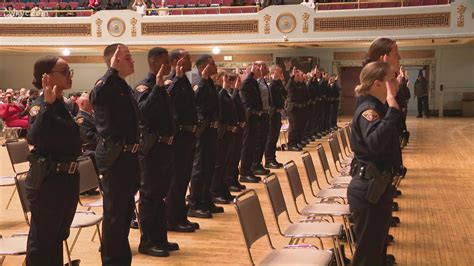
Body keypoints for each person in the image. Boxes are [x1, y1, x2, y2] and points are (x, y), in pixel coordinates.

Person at [25, 56, 81, 265]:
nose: (69, 76)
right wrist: (47, 105)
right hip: (48, 181)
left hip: (66, 179)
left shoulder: (62, 105)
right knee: (43, 240)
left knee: (58, 236)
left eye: (69, 71)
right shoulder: (41, 106)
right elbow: (34, 137)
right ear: (46, 77)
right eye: (64, 71)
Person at [90, 43, 140, 265]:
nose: (133, 61)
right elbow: (96, 96)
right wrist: (110, 70)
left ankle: (122, 260)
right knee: (114, 215)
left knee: (125, 213)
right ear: (115, 61)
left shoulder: (123, 86)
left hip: (128, 158)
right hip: (115, 158)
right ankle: (111, 260)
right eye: (128, 57)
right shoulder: (106, 84)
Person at [347, 61, 401, 266]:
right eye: (391, 79)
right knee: (368, 254)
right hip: (367, 188)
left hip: (376, 184)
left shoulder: (377, 107)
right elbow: (375, 143)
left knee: (377, 247)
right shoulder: (368, 110)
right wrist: (393, 111)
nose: (396, 83)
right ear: (378, 84)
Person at [133, 47, 179, 257]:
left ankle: (160, 238)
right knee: (150, 196)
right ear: (153, 63)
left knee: (160, 195)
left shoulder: (162, 86)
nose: (168, 66)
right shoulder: (145, 87)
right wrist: (159, 88)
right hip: (151, 149)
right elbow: (144, 113)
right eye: (164, 62)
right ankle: (148, 241)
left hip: (165, 148)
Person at [165, 49, 200, 232]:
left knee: (184, 178)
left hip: (188, 136)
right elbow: (168, 100)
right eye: (186, 58)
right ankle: (172, 219)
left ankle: (181, 216)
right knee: (176, 180)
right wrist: (177, 80)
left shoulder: (184, 80)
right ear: (176, 61)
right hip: (178, 137)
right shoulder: (171, 81)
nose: (190, 60)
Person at [188, 54, 220, 218]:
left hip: (212, 130)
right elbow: (197, 102)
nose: (215, 66)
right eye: (212, 64)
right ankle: (194, 203)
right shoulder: (198, 84)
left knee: (209, 166)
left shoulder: (209, 84)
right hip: (203, 131)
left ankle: (205, 199)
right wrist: (204, 79)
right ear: (203, 67)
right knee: (200, 167)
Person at [210, 71, 238, 204]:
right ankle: (215, 191)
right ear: (218, 79)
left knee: (225, 163)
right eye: (225, 77)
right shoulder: (218, 92)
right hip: (223, 133)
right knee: (219, 164)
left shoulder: (225, 92)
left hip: (229, 132)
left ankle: (224, 190)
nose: (228, 79)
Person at [239, 63, 263, 183]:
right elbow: (245, 86)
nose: (259, 72)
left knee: (252, 146)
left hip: (255, 118)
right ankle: (244, 172)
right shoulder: (246, 84)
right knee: (247, 146)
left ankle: (249, 170)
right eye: (256, 70)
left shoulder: (254, 83)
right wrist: (251, 73)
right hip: (249, 119)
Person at [264, 65, 286, 169]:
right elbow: (272, 100)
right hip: (273, 114)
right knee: (271, 137)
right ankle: (269, 159)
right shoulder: (272, 85)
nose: (281, 73)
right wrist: (276, 80)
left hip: (278, 113)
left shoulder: (277, 84)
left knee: (275, 137)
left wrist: (280, 81)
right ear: (273, 72)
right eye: (279, 71)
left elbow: (285, 93)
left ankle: (272, 158)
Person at [252, 61, 271, 176]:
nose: (266, 68)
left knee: (263, 140)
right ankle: (255, 164)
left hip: (266, 113)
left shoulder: (263, 81)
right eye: (264, 66)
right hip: (260, 114)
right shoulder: (256, 82)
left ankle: (258, 163)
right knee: (258, 141)